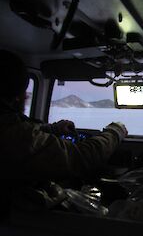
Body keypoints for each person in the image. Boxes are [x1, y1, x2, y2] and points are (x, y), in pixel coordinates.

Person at [0, 50, 128, 215]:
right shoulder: (14, 136)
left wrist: (53, 129)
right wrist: (116, 131)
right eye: (23, 91)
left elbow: (22, 128)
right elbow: (81, 157)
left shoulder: (11, 128)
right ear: (14, 96)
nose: (26, 96)